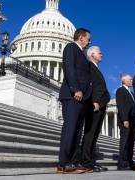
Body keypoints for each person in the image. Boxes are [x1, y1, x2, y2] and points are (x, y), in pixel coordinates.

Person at [57, 28, 92, 174]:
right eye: (88, 39)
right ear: (81, 38)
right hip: (73, 95)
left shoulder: (83, 54)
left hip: (82, 98)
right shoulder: (71, 47)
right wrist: (75, 88)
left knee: (77, 132)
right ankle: (63, 164)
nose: (89, 42)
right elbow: (69, 68)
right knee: (70, 129)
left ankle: (72, 161)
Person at [81, 46, 110, 172]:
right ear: (92, 54)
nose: (102, 55)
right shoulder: (89, 66)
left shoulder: (96, 67)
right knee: (90, 134)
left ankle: (91, 162)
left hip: (101, 104)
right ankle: (86, 162)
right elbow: (92, 84)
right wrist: (95, 101)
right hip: (95, 104)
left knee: (94, 135)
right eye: (99, 53)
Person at [116, 74, 135, 170]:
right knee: (124, 142)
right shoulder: (120, 90)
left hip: (132, 121)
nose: (132, 81)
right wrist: (124, 119)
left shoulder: (131, 93)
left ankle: (129, 161)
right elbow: (121, 106)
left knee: (131, 142)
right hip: (125, 120)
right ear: (124, 81)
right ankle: (121, 163)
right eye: (130, 79)